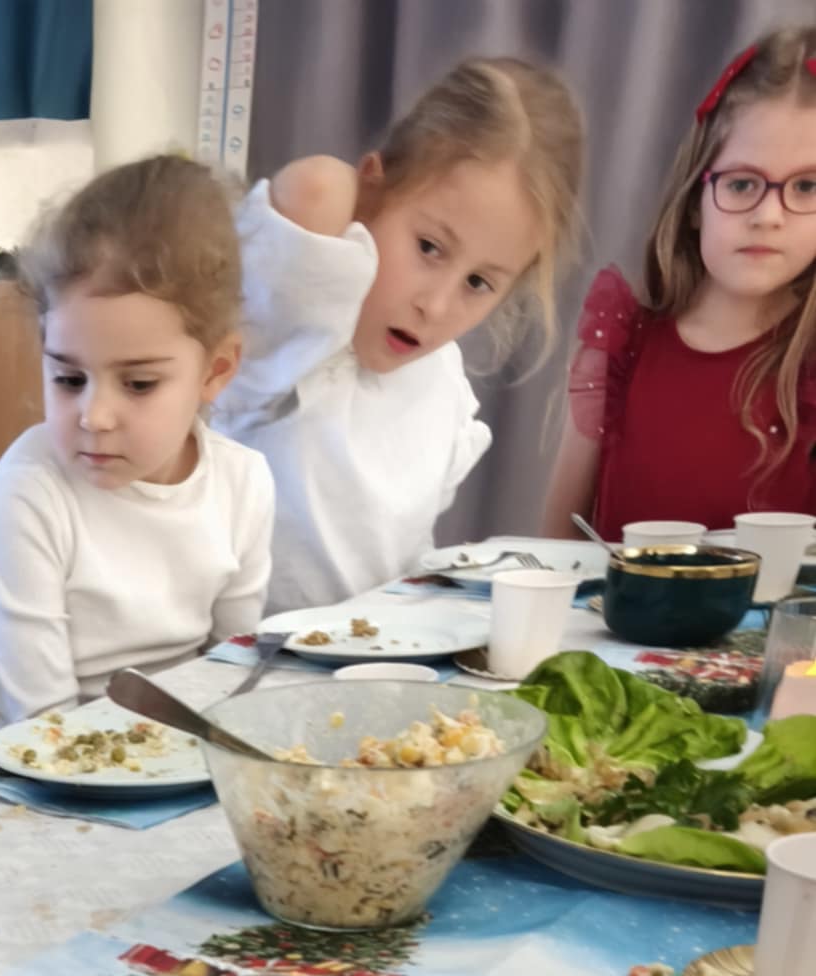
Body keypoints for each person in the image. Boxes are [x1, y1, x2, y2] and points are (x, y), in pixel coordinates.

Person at [214, 58, 584, 612]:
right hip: (236, 654)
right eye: (429, 248)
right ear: (371, 188)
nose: (435, 306)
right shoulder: (290, 321)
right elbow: (316, 187)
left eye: (479, 282)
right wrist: (362, 206)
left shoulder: (442, 387)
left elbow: (403, 566)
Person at [0, 156, 273, 741]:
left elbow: (232, 670)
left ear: (216, 370)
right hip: (39, 766)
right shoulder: (27, 494)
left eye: (138, 384)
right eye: (69, 378)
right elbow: (43, 723)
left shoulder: (244, 482)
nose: (95, 416)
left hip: (180, 749)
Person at [544, 29, 816, 540]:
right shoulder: (620, 344)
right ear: (695, 202)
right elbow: (557, 548)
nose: (769, 215)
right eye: (742, 183)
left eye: (806, 186)